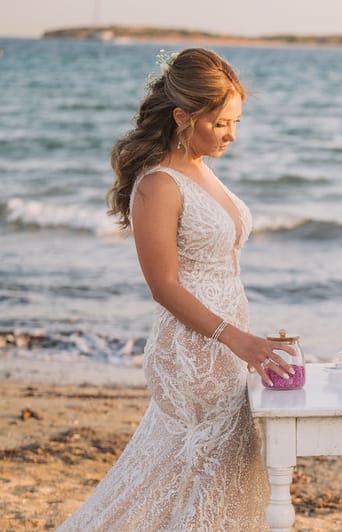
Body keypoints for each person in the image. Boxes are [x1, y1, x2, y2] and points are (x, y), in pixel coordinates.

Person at [58, 48, 296, 531]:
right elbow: (164, 286)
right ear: (183, 117)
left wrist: (244, 339)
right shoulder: (159, 184)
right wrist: (236, 337)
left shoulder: (203, 169)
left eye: (235, 122)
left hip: (226, 347)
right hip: (192, 354)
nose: (232, 134)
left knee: (208, 485)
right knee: (201, 481)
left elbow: (217, 268)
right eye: (221, 123)